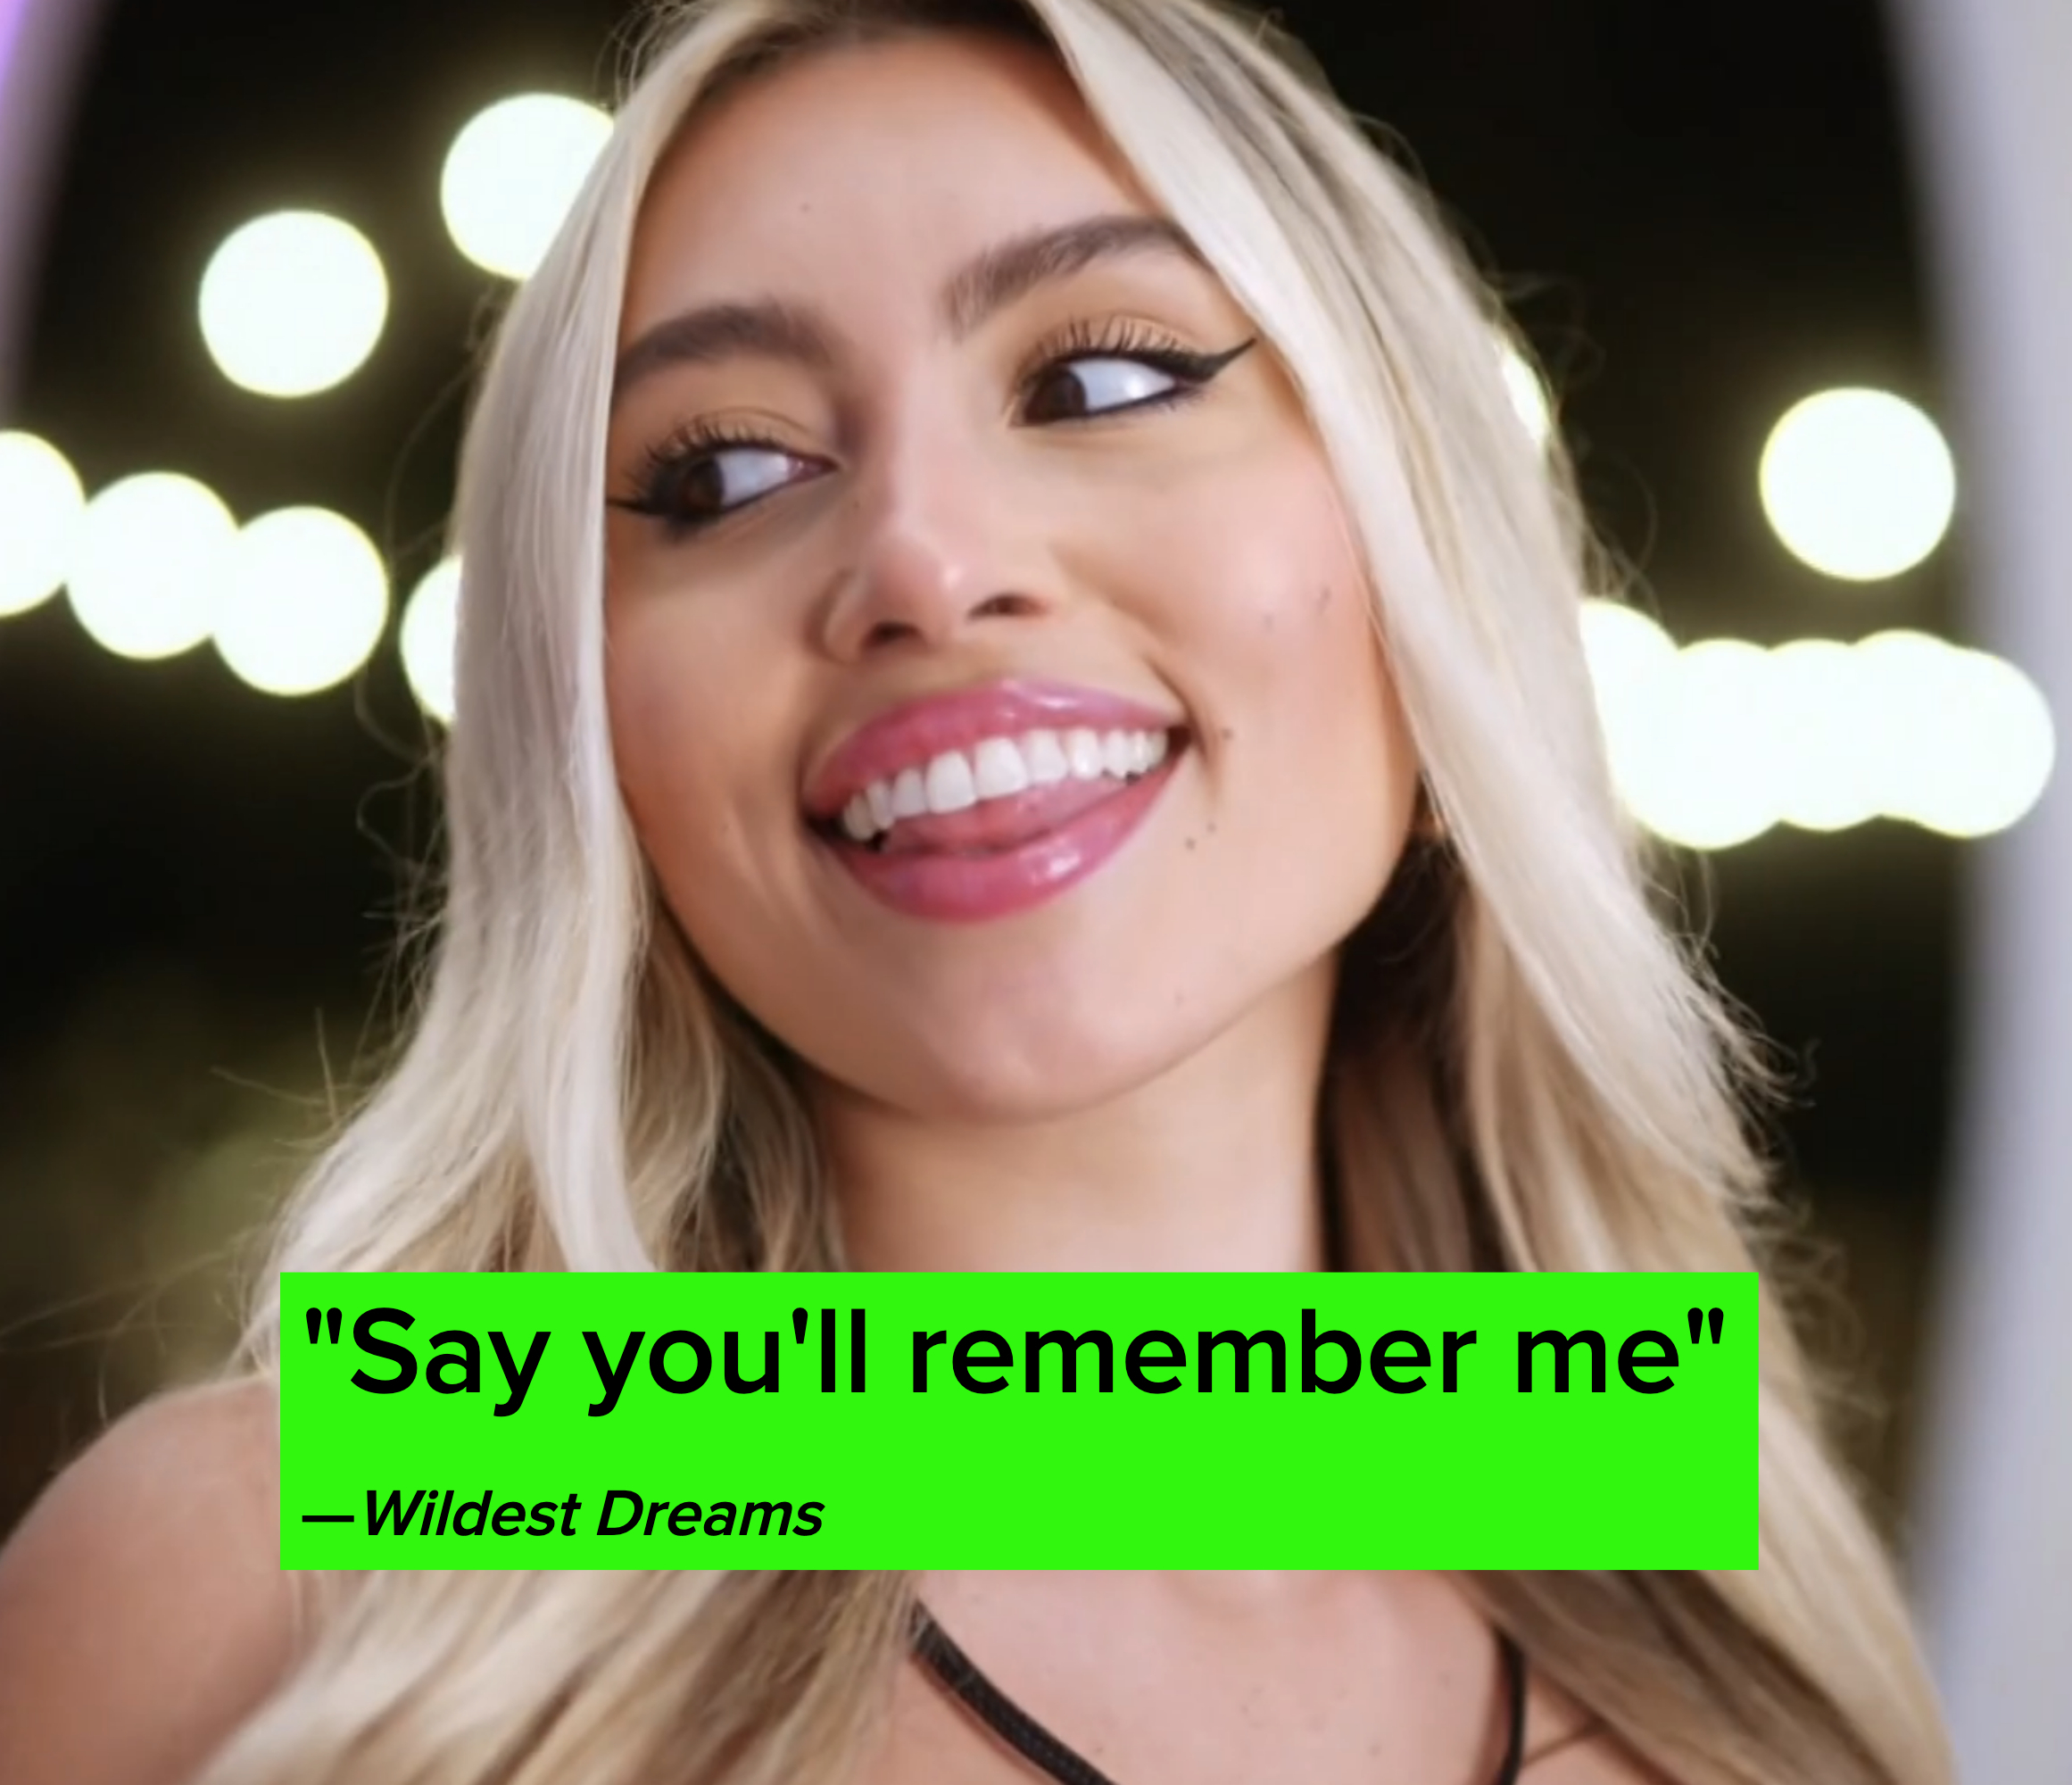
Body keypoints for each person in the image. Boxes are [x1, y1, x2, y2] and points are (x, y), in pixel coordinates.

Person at [0, 0, 1956, 1781]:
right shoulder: (278, 1567)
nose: (925, 560)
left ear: (1423, 537)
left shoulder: (1725, 1570)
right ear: (582, 725)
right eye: (724, 473)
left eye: (1101, 380)